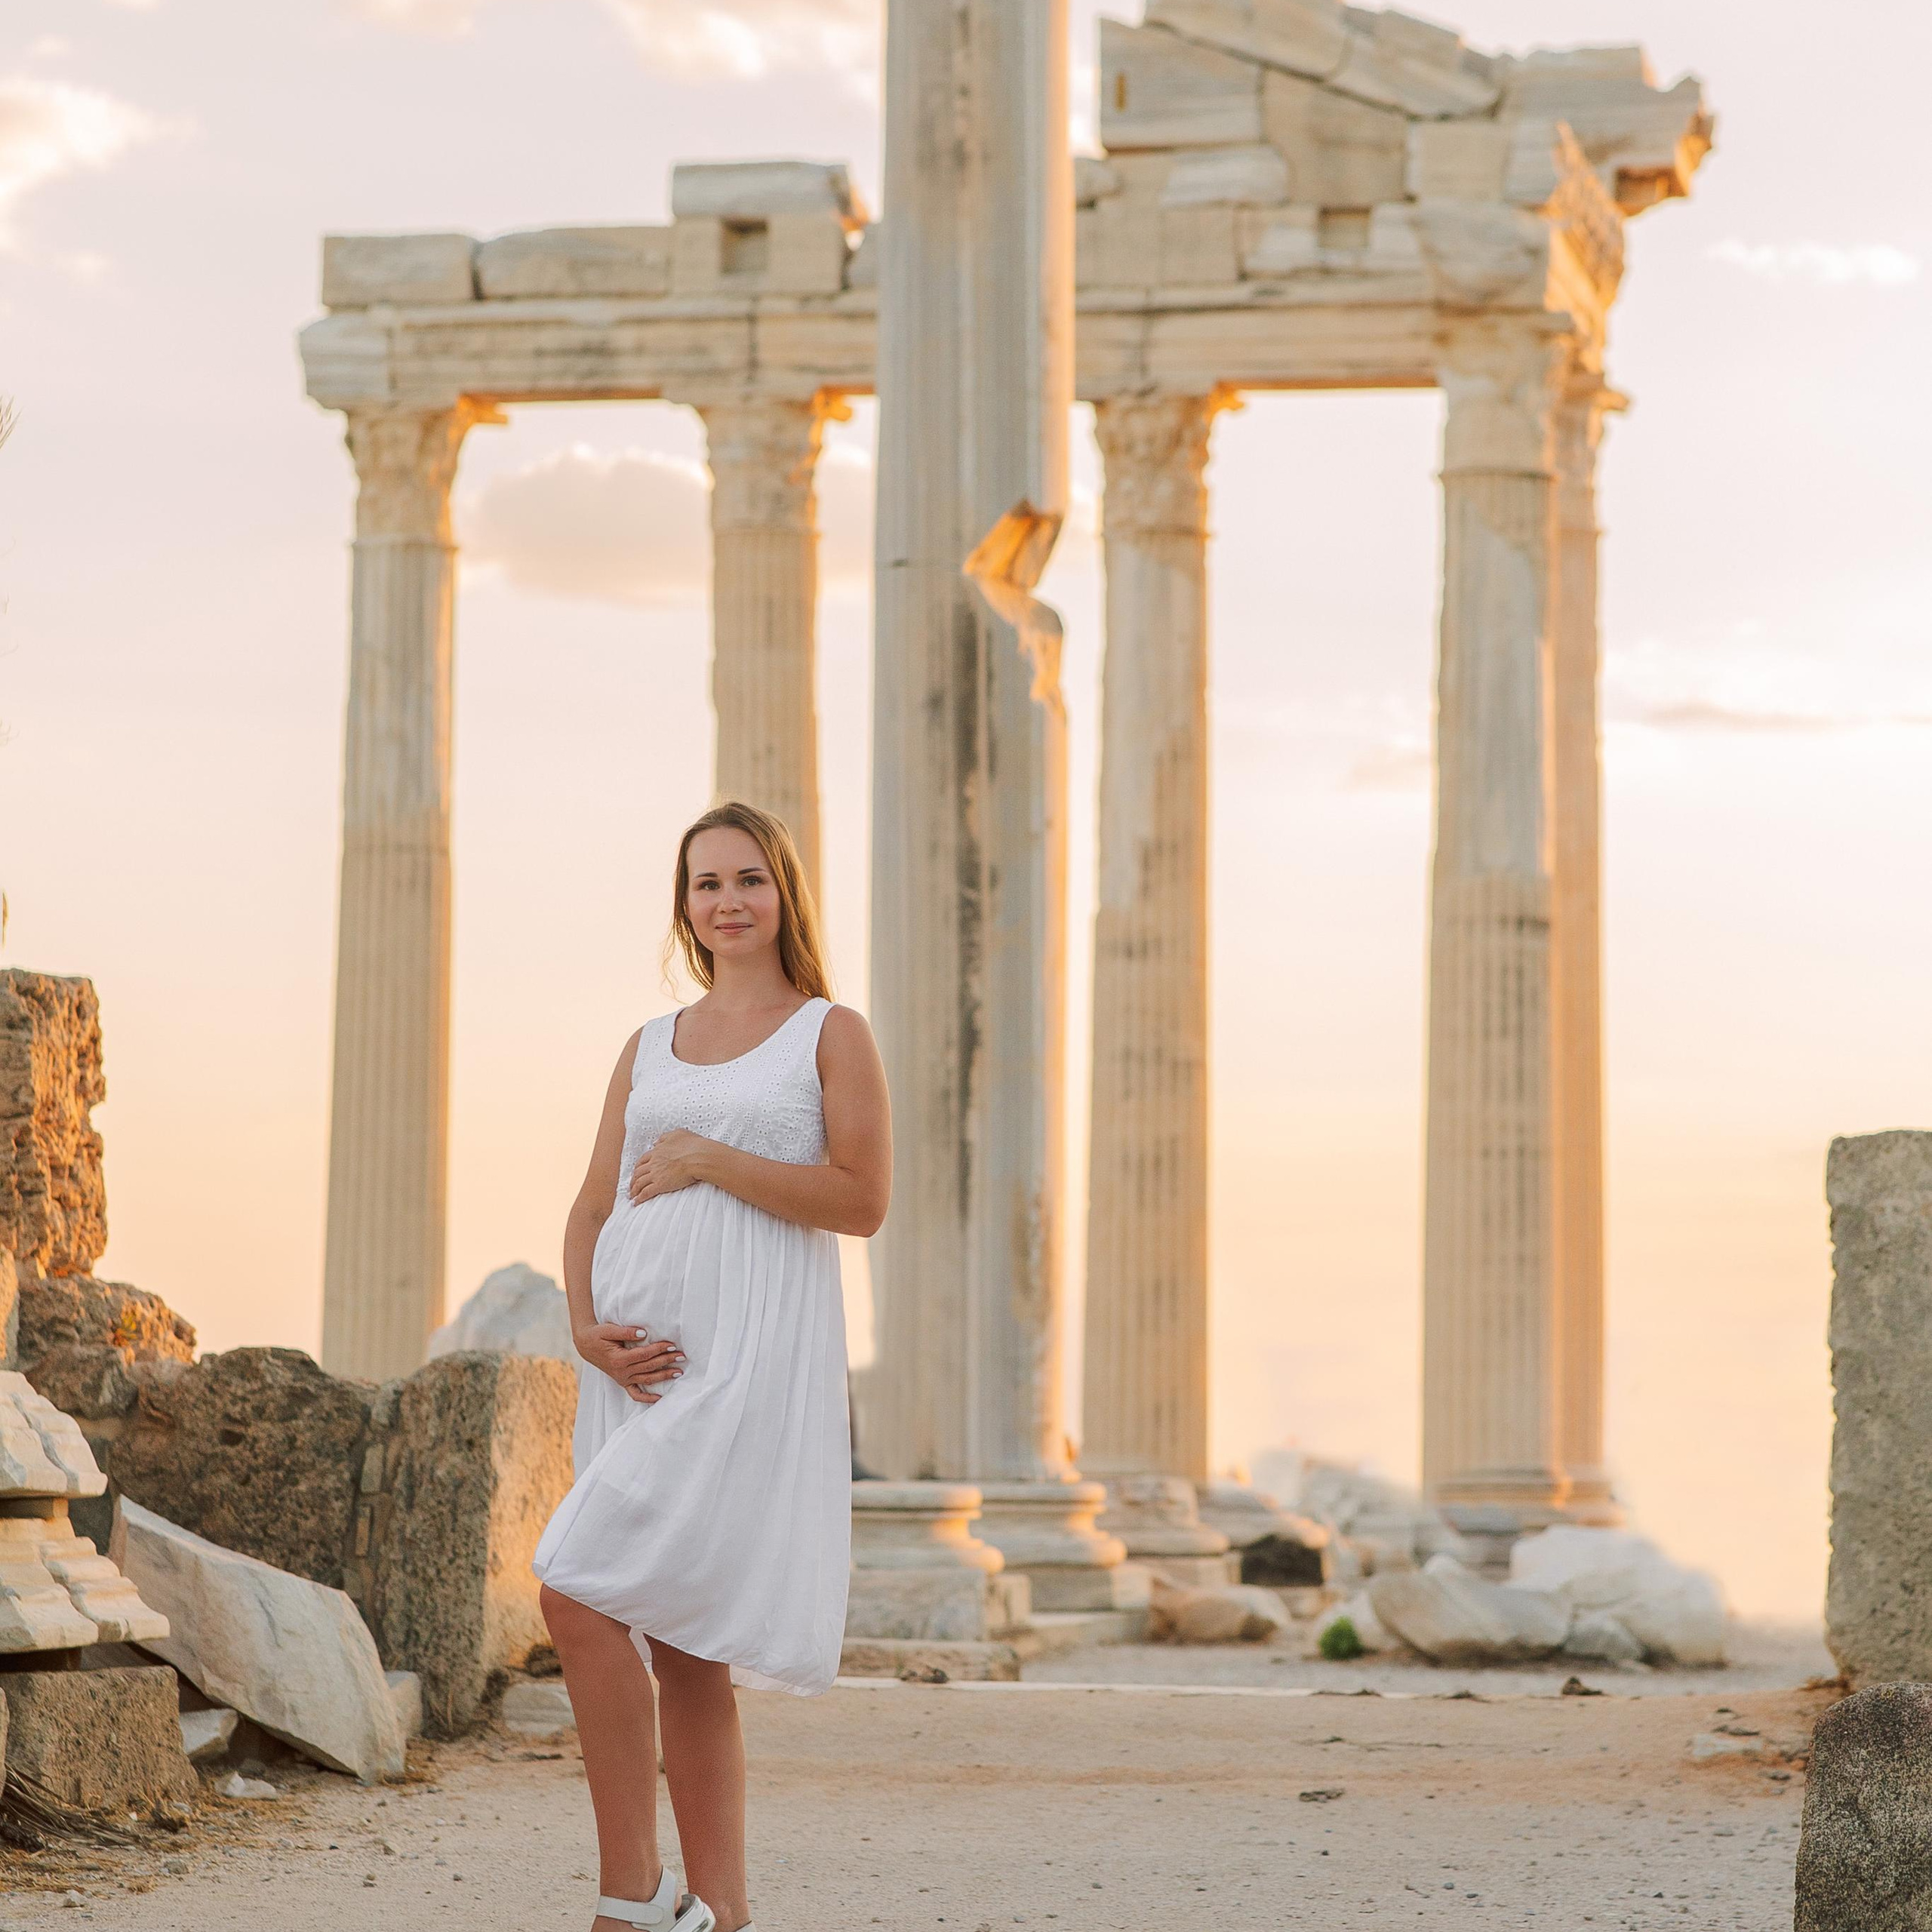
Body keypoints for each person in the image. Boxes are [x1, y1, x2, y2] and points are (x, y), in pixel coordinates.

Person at [534, 801, 891, 1932]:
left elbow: (862, 1199)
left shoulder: (830, 1032)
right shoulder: (649, 1044)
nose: (727, 901)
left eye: (748, 879)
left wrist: (710, 1159)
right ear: (683, 907)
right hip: (635, 1372)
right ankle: (721, 1917)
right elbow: (593, 1202)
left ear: (784, 894)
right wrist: (585, 1326)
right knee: (681, 1645)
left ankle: (628, 1899)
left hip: (746, 1365)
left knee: (573, 1589)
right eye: (705, 884)